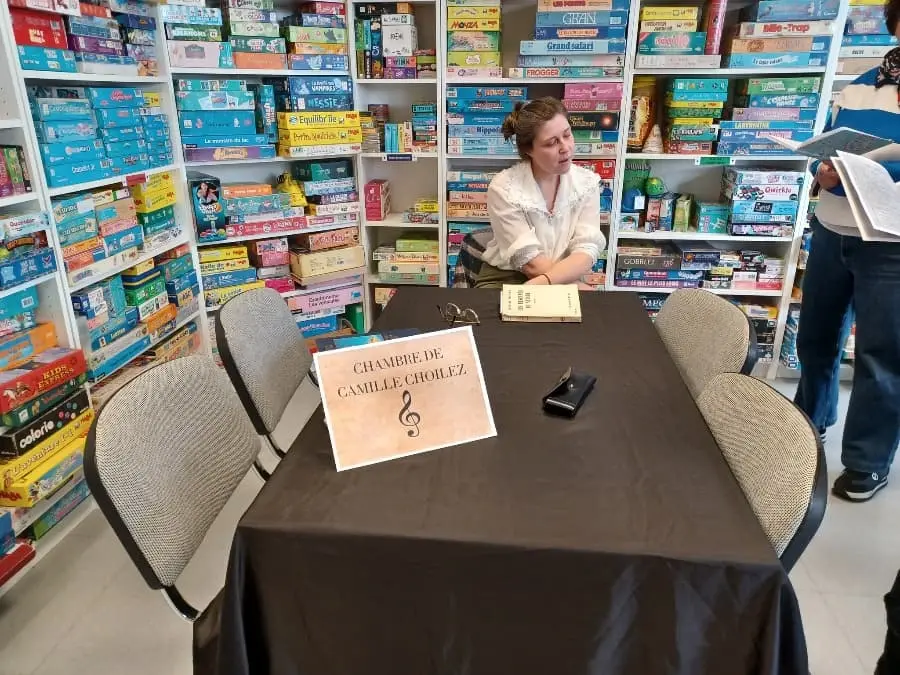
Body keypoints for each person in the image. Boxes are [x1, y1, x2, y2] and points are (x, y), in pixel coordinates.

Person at [794, 0, 900, 502]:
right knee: (816, 338)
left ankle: (866, 461)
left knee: (883, 356)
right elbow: (829, 146)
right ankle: (808, 422)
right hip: (833, 227)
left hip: (891, 242)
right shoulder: (860, 84)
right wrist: (823, 169)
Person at [474, 97, 606, 289]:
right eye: (552, 143)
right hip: (507, 277)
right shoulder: (504, 188)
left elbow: (586, 249)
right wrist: (574, 287)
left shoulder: (587, 183)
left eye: (567, 135)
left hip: (567, 276)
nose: (565, 148)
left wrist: (553, 283)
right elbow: (530, 261)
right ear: (529, 150)